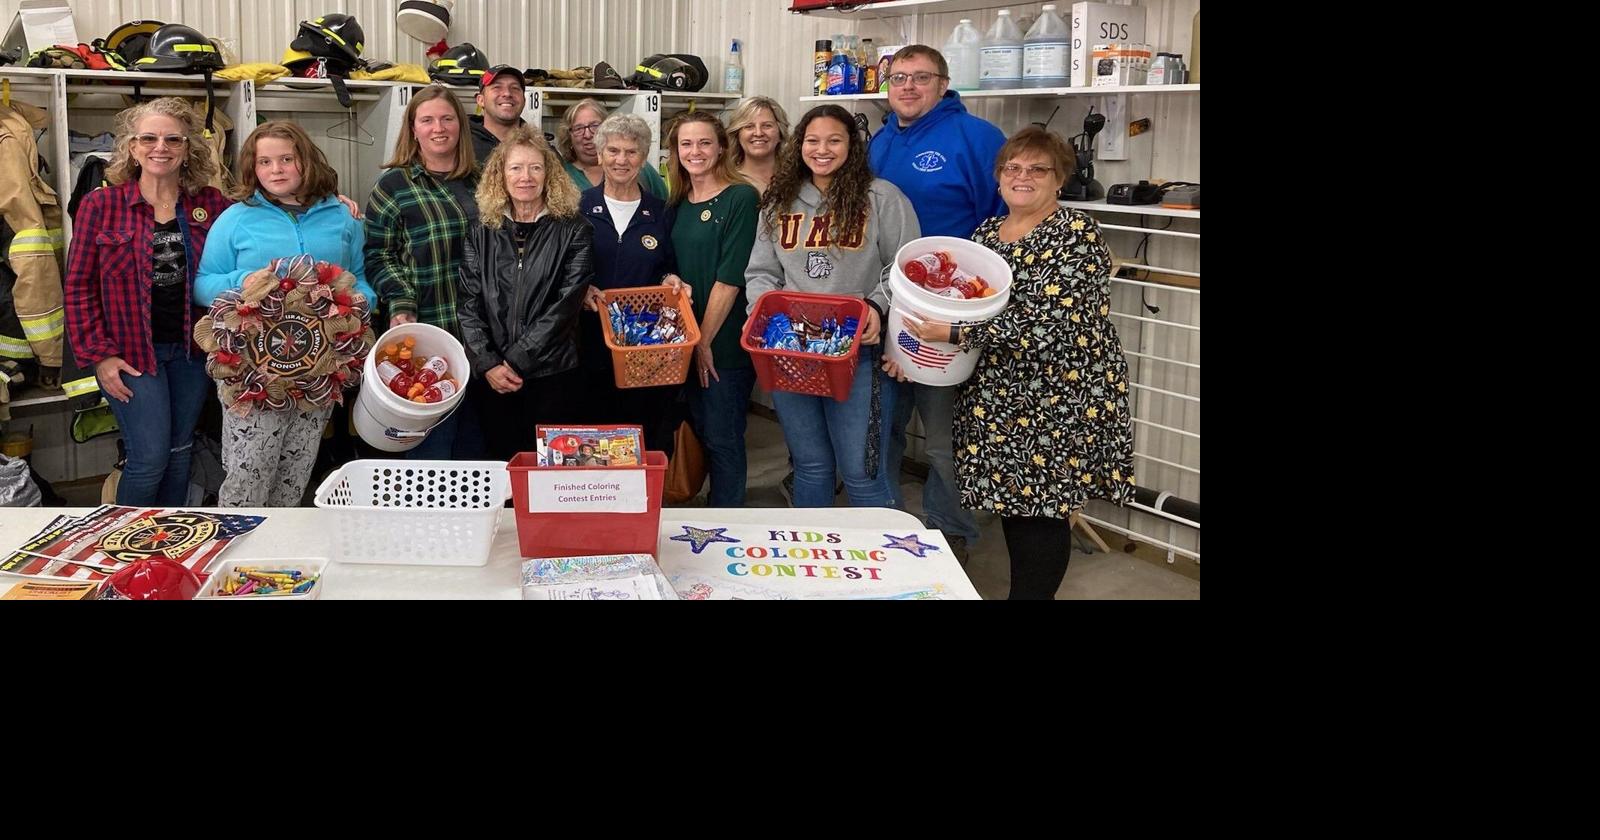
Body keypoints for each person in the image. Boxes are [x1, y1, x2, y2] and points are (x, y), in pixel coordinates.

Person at [888, 127, 1135, 599]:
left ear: (1059, 179)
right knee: (1017, 507)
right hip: (998, 392)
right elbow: (958, 302)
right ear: (999, 177)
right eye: (1013, 168)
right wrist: (914, 347)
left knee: (1040, 510)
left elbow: (1051, 322)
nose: (1023, 177)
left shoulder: (1075, 233)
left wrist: (957, 334)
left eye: (1037, 169)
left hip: (1056, 393)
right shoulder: (986, 234)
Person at [869, 44, 1007, 559]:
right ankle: (880, 515)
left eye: (920, 77)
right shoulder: (880, 141)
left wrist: (973, 301)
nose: (908, 86)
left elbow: (1002, 222)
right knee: (882, 424)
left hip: (953, 312)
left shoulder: (977, 138)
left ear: (944, 84)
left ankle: (951, 530)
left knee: (946, 436)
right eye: (899, 77)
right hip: (890, 303)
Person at [194, 120, 375, 506]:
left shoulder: (343, 217)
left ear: (305, 161)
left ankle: (276, 560)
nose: (275, 170)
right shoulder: (235, 219)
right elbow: (203, 283)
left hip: (317, 371)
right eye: (264, 162)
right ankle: (238, 556)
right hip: (252, 372)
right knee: (247, 474)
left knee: (296, 474)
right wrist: (254, 281)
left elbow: (360, 278)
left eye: (286, 159)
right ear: (252, 168)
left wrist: (357, 301)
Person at [746, 104, 916, 508]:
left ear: (851, 147)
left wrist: (875, 307)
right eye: (813, 140)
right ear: (799, 145)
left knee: (862, 473)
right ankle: (813, 560)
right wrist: (762, 314)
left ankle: (884, 563)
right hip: (791, 352)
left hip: (857, 354)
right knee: (811, 465)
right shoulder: (779, 201)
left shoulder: (882, 198)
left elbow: (905, 268)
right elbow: (761, 272)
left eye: (834, 140)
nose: (822, 149)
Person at [64, 97, 231, 506]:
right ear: (132, 147)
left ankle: (168, 548)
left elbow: (263, 222)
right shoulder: (100, 206)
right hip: (132, 353)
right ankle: (124, 550)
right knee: (149, 457)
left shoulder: (211, 205)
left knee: (180, 452)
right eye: (149, 138)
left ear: (189, 148)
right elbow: (78, 286)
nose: (161, 147)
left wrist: (332, 204)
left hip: (193, 352)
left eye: (173, 139)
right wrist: (100, 356)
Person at [458, 126, 593, 461]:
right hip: (493, 377)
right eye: (515, 168)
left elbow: (566, 305)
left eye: (535, 168)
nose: (525, 177)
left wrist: (514, 361)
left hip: (553, 375)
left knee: (550, 470)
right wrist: (488, 363)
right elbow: (468, 303)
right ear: (500, 176)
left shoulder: (575, 229)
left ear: (549, 175)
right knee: (501, 466)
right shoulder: (481, 230)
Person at [365, 83, 483, 459]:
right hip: (429, 333)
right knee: (430, 451)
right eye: (427, 119)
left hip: (484, 334)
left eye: (447, 118)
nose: (439, 127)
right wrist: (400, 301)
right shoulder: (394, 186)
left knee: (477, 447)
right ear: (412, 128)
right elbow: (378, 255)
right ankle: (425, 520)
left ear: (461, 126)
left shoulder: (484, 182)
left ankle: (474, 519)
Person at [665, 111, 758, 506]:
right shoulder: (676, 202)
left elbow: (730, 278)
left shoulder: (741, 197)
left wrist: (702, 342)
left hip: (722, 343)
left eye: (704, 142)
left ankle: (728, 518)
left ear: (722, 147)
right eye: (686, 144)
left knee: (723, 437)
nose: (695, 151)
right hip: (683, 341)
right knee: (698, 431)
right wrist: (669, 278)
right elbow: (671, 264)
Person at [577, 113, 683, 456]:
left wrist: (671, 279)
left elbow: (669, 266)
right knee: (594, 432)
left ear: (643, 156)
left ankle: (647, 502)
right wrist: (580, 291)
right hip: (588, 342)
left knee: (646, 430)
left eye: (631, 152)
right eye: (613, 150)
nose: (621, 160)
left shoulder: (662, 210)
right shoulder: (577, 207)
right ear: (599, 154)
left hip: (645, 347)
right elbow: (562, 270)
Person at [558, 98, 669, 200]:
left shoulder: (639, 168)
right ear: (569, 135)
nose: (587, 134)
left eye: (594, 126)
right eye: (578, 128)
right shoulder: (560, 174)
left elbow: (665, 207)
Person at [726, 95, 790, 195]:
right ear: (737, 135)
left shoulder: (796, 180)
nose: (758, 133)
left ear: (780, 133)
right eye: (749, 126)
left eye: (767, 126)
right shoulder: (727, 183)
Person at [469, 64, 530, 163]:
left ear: (524, 100)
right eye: (497, 87)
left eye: (515, 88)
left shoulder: (540, 148)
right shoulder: (462, 147)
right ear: (481, 100)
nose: (507, 93)